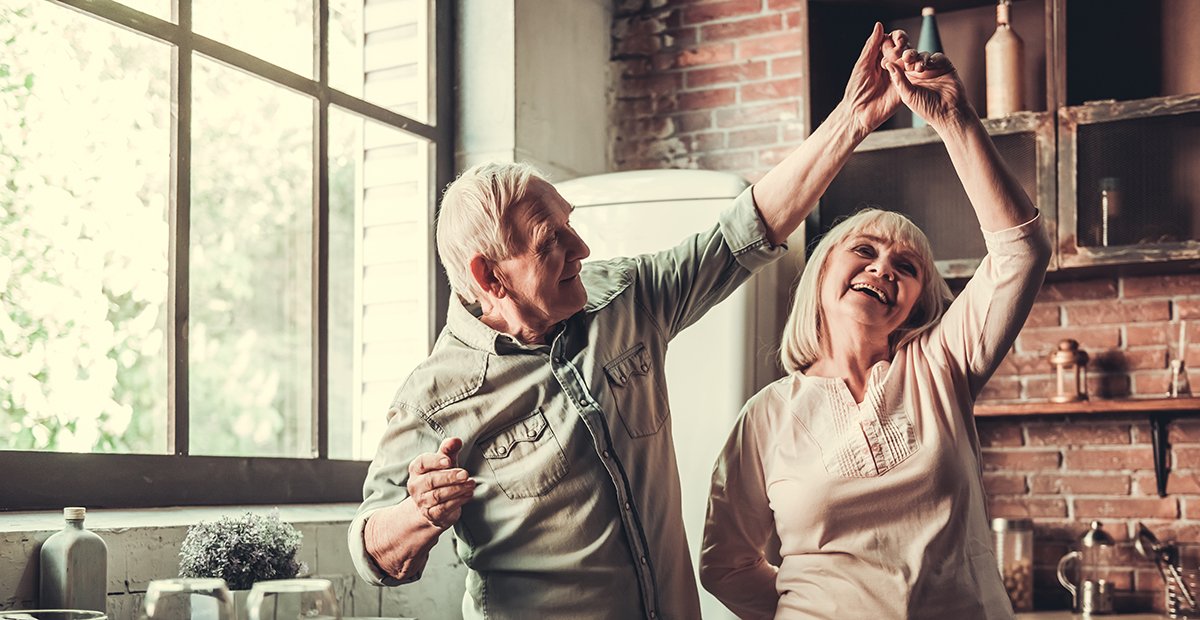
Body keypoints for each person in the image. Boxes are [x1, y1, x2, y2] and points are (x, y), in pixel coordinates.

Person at [349, 23, 915, 620]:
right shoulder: (435, 397)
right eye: (552, 242)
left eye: (571, 224)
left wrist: (851, 119)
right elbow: (372, 552)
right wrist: (419, 514)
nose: (582, 249)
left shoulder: (625, 296)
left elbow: (744, 233)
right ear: (491, 277)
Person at [698, 33, 1052, 620]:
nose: (883, 267)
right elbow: (725, 563)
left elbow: (1020, 253)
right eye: (864, 250)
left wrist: (954, 118)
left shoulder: (940, 364)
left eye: (906, 266)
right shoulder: (767, 415)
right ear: (820, 274)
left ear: (914, 302)